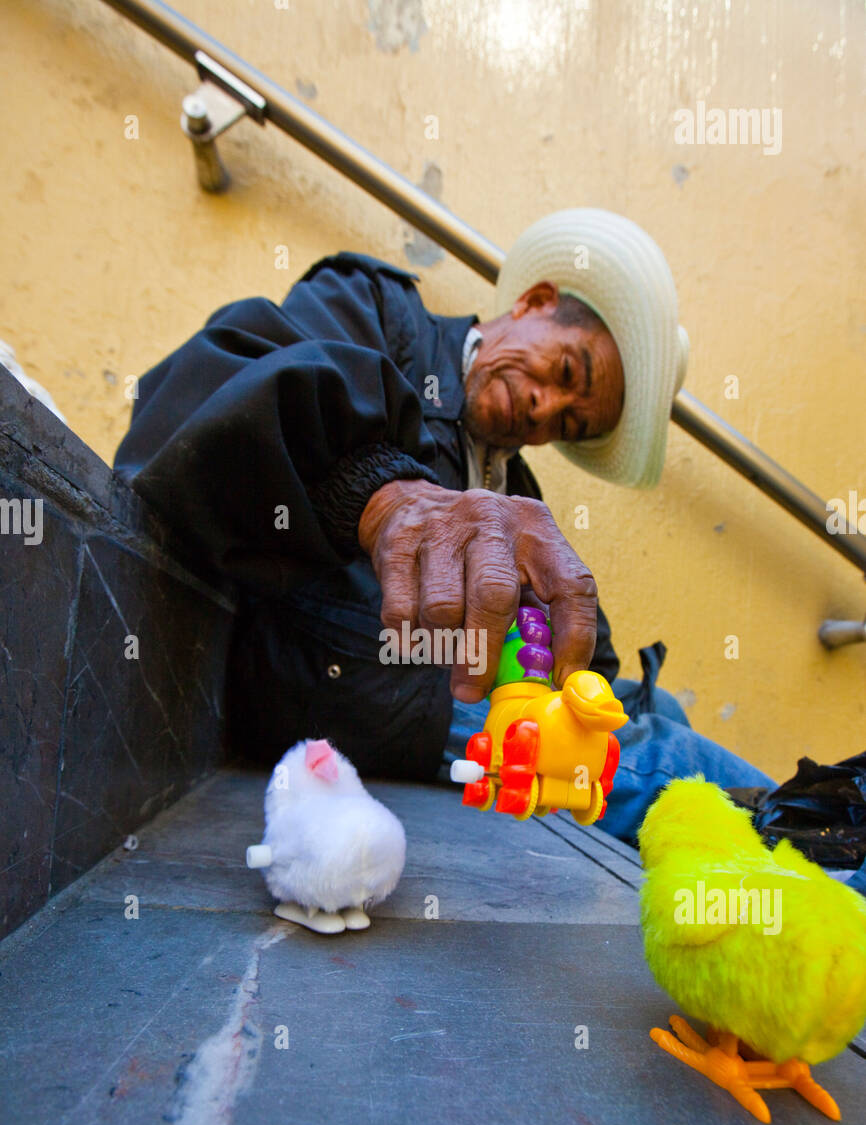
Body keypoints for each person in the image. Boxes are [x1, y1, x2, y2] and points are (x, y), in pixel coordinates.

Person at [114, 208, 774, 843]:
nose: (544, 407)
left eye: (569, 424)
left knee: (656, 709)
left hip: (452, 693)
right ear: (535, 302)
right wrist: (382, 497)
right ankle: (811, 834)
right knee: (660, 757)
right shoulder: (381, 312)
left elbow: (583, 653)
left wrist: (574, 668)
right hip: (345, 672)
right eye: (567, 371)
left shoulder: (518, 491)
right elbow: (215, 392)